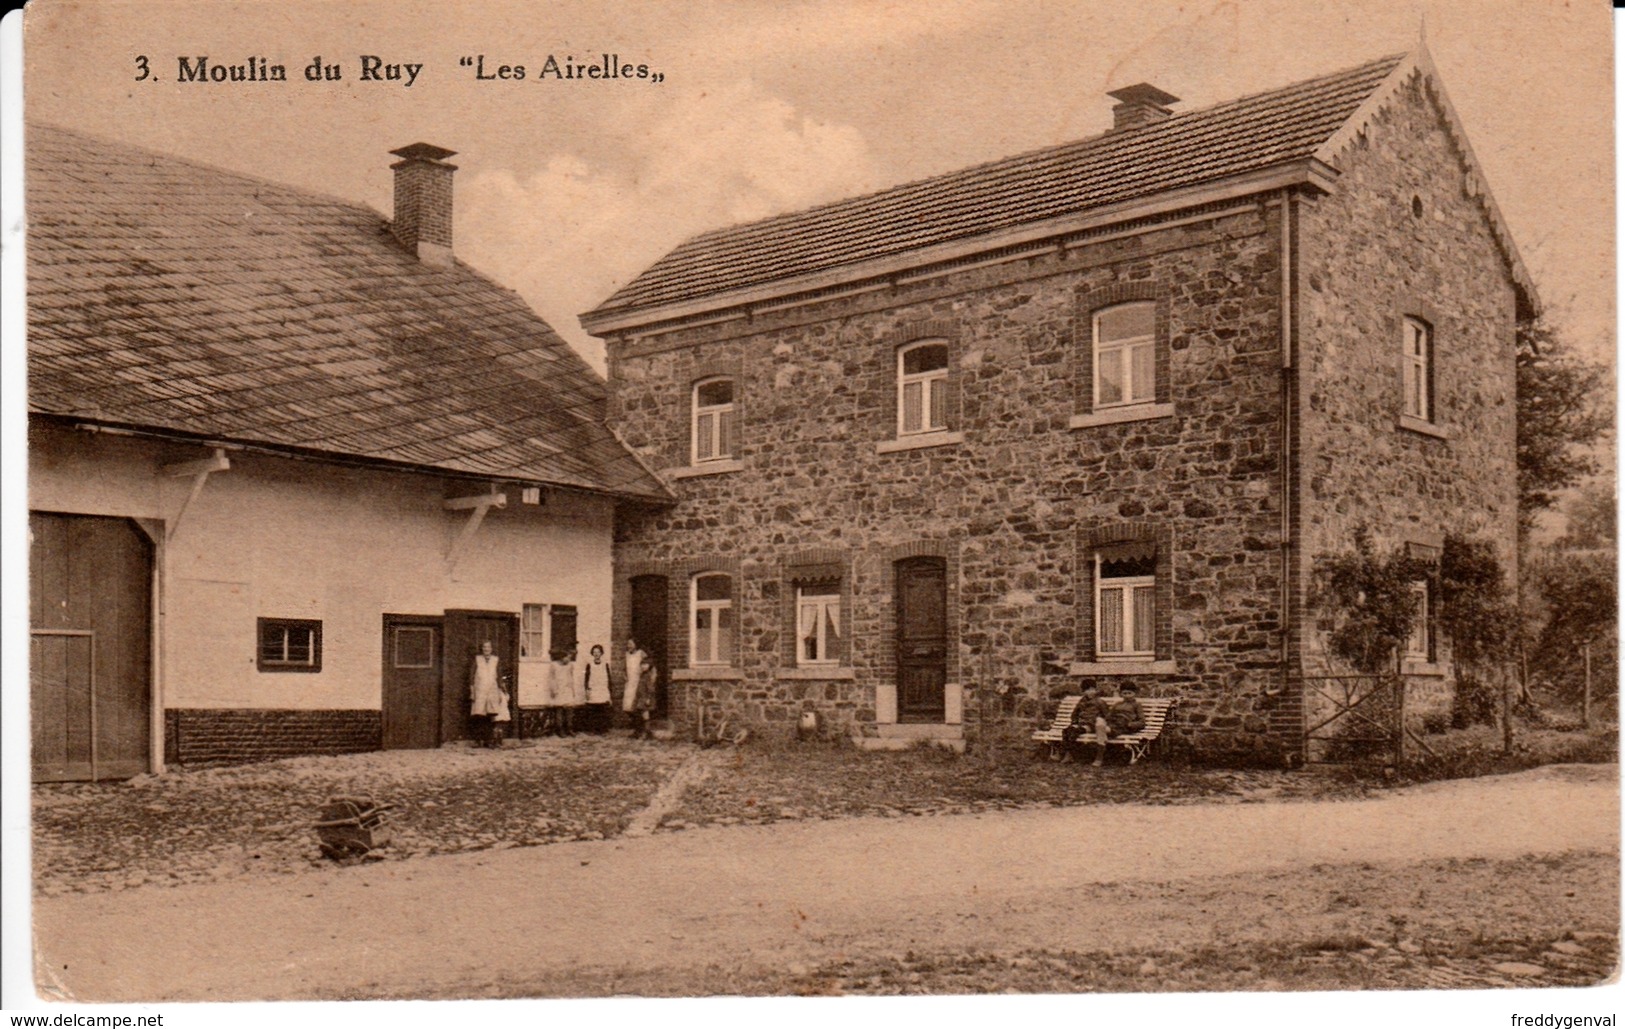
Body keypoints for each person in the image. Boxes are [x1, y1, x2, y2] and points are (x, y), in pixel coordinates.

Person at [468, 640, 509, 748]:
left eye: (488, 647)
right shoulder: (477, 659)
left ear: (491, 649)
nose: (486, 649)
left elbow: (499, 677)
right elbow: (471, 676)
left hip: (492, 690)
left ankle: (490, 740)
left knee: (491, 715)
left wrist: (502, 691)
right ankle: (479, 740)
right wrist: (472, 692)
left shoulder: (496, 660)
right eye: (484, 647)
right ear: (482, 649)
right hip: (480, 690)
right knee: (479, 715)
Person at [622, 638, 656, 739]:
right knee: (628, 708)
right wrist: (625, 675)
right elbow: (625, 667)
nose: (629, 646)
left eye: (631, 644)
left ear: (636, 644)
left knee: (639, 708)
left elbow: (650, 665)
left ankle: (641, 730)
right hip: (630, 683)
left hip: (639, 683)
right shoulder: (627, 655)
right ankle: (638, 728)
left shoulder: (641, 653)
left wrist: (651, 676)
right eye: (628, 644)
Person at [579, 643, 613, 734]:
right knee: (593, 710)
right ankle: (592, 729)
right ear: (592, 653)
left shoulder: (605, 664)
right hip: (593, 689)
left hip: (602, 689)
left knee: (602, 710)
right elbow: (586, 678)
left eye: (598, 652)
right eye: (594, 652)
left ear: (601, 653)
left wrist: (609, 690)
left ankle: (602, 729)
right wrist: (587, 690)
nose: (596, 654)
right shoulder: (589, 664)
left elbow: (608, 678)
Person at [548, 648, 579, 737]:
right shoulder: (554, 665)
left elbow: (571, 677)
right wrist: (554, 690)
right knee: (559, 710)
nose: (569, 659)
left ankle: (569, 728)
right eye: (567, 657)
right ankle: (560, 729)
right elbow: (551, 679)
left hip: (567, 689)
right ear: (562, 657)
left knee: (569, 709)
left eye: (570, 657)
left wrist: (573, 690)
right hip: (558, 689)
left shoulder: (570, 665)